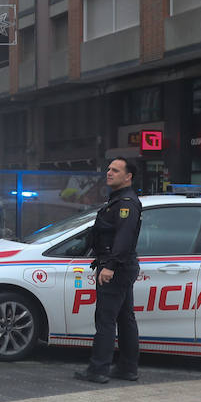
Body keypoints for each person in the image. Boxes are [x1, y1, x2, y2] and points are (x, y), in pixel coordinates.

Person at [75, 157, 142, 384]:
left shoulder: (126, 203)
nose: (109, 173)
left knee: (105, 319)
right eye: (109, 169)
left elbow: (123, 237)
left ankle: (98, 369)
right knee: (125, 318)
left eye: (115, 170)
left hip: (116, 267)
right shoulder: (118, 201)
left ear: (128, 176)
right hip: (121, 266)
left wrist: (110, 266)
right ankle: (126, 368)